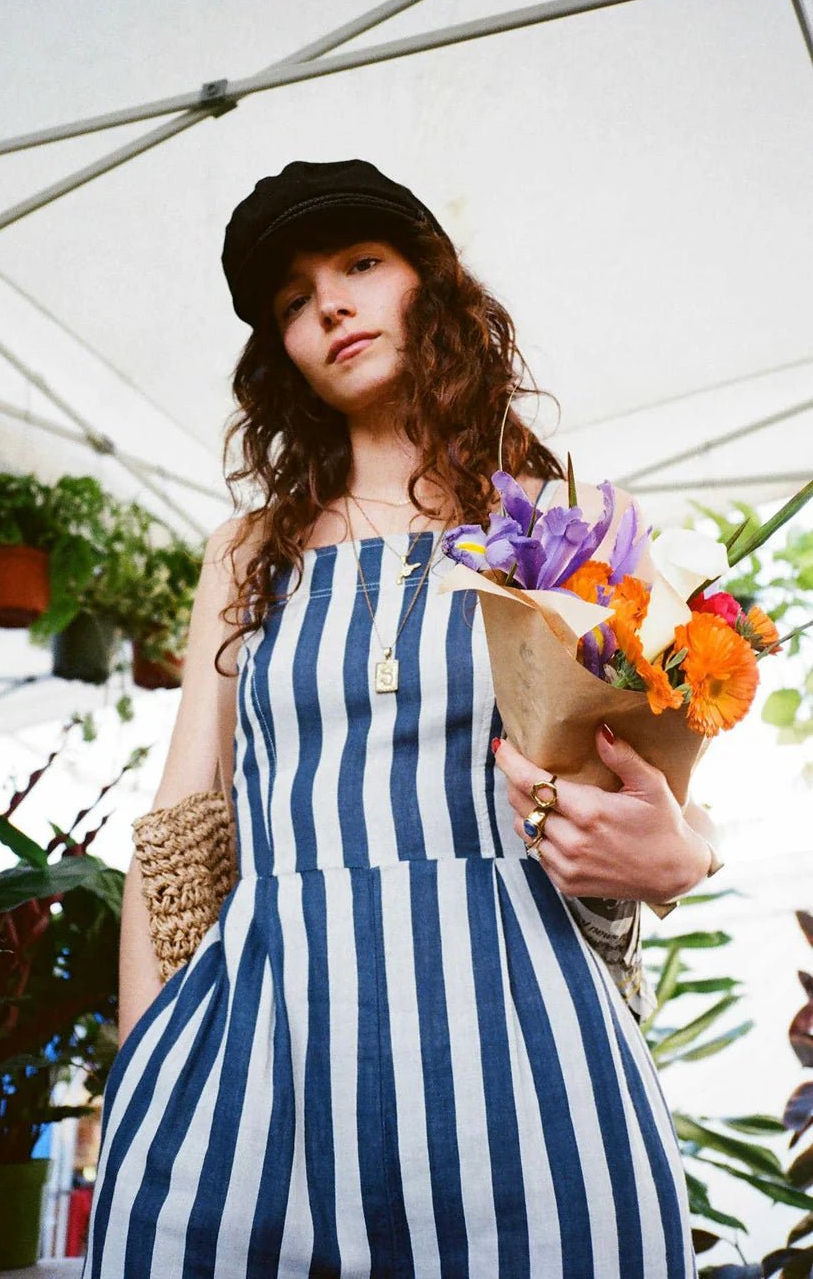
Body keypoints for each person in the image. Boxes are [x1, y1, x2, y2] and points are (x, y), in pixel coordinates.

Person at [82, 159, 722, 1278]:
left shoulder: (565, 525)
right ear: (280, 350)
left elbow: (649, 792)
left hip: (528, 1049)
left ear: (433, 283)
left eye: (361, 264)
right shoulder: (248, 553)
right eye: (294, 299)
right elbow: (181, 826)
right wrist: (144, 1071)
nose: (329, 304)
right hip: (265, 1056)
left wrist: (687, 854)